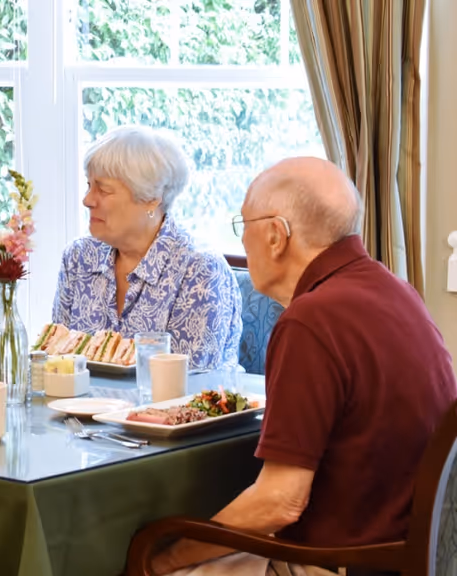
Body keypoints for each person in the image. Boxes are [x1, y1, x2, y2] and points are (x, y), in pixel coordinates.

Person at [149, 157, 457, 576]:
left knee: (144, 558)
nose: (243, 243)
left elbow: (281, 501)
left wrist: (167, 557)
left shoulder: (311, 320)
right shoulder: (396, 290)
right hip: (409, 555)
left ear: (276, 236)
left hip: (340, 563)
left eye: (244, 226)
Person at [52, 125, 241, 369]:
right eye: (89, 185)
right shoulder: (78, 257)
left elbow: (191, 385)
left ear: (151, 198)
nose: (87, 200)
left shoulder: (200, 270)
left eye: (104, 189)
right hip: (80, 407)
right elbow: (58, 364)